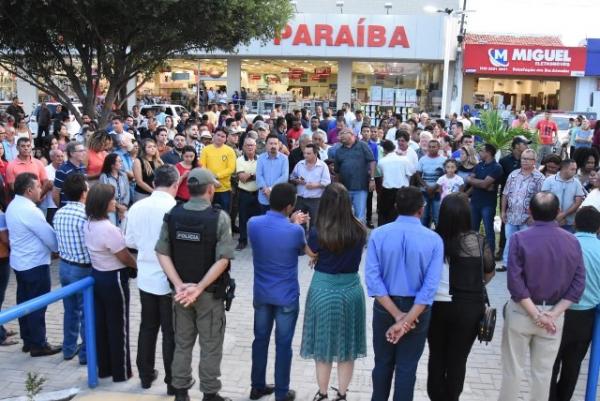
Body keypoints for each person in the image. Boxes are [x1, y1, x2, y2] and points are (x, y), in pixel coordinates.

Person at [155, 168, 234, 401]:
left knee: (182, 343)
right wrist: (198, 287)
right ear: (210, 190)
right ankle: (210, 393)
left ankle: (180, 392)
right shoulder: (219, 218)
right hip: (208, 294)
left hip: (181, 295)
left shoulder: (173, 214)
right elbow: (223, 259)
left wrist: (179, 285)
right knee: (210, 345)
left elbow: (161, 252)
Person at [498, 192, 585, 401]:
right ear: (557, 212)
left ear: (530, 211)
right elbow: (578, 284)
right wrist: (552, 314)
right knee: (543, 374)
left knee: (513, 371)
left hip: (521, 312)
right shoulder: (572, 241)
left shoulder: (519, 238)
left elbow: (515, 283)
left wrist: (535, 314)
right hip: (554, 317)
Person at [365, 186, 443, 401]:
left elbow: (372, 279)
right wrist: (407, 319)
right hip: (417, 310)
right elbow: (429, 288)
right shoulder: (434, 239)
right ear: (422, 209)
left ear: (396, 206)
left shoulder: (379, 234)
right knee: (407, 367)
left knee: (382, 362)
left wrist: (397, 315)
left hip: (385, 305)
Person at [300, 183, 367, 401]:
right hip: (351, 290)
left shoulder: (319, 230)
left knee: (323, 344)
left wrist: (316, 256)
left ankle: (322, 393)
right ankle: (343, 394)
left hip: (323, 288)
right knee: (347, 345)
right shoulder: (359, 229)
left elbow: (311, 251)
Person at [427, 192, 495, 401]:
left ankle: (436, 397)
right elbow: (489, 272)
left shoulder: (432, 239)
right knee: (458, 360)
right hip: (469, 308)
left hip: (436, 307)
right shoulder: (478, 240)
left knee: (436, 356)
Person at [248, 183, 309, 401]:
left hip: (262, 293)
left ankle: (257, 386)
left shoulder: (252, 223)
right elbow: (304, 250)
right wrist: (297, 224)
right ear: (290, 206)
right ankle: (282, 392)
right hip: (286, 295)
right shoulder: (295, 230)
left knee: (260, 339)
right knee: (283, 344)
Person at [124, 165, 179, 394]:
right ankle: (172, 381)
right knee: (170, 332)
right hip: (168, 279)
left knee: (148, 327)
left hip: (146, 276)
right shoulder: (174, 209)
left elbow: (130, 241)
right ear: (176, 185)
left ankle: (145, 375)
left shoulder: (137, 207)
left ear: (154, 183)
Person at [85, 183, 137, 382]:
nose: (115, 202)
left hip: (98, 275)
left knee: (102, 324)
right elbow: (123, 256)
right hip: (114, 278)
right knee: (118, 326)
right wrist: (137, 265)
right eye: (112, 199)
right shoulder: (108, 229)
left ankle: (104, 367)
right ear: (103, 203)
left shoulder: (88, 222)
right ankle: (121, 372)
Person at [5, 173, 60, 357]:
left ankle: (28, 340)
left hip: (21, 263)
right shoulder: (30, 210)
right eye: (37, 187)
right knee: (37, 305)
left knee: (24, 302)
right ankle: (38, 344)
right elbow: (49, 236)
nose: (40, 190)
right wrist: (57, 249)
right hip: (34, 264)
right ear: (29, 190)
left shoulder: (13, 205)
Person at [549, 206, 600, 401]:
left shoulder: (563, 244)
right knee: (573, 364)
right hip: (586, 317)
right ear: (598, 228)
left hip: (557, 312)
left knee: (551, 362)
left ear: (575, 223)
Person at [53, 174, 91, 364]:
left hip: (64, 266)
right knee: (86, 312)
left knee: (70, 310)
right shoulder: (85, 214)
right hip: (82, 269)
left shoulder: (60, 212)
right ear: (84, 193)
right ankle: (85, 354)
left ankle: (68, 348)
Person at [499, 149, 545, 271]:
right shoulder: (513, 174)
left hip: (527, 218)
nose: (524, 161)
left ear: (534, 161)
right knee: (510, 240)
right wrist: (503, 211)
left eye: (527, 159)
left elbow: (541, 199)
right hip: (511, 215)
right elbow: (505, 193)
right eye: (523, 158)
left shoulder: (539, 178)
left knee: (526, 243)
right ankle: (506, 264)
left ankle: (524, 266)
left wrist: (533, 216)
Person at [466, 143, 503, 254]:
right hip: (475, 202)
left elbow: (483, 184)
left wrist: (481, 183)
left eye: (481, 151)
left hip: (488, 204)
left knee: (488, 230)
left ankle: (490, 255)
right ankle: (473, 253)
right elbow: (469, 180)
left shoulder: (497, 167)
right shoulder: (478, 165)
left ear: (488, 152)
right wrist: (482, 183)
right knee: (473, 230)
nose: (479, 153)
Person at [334, 129, 376, 223]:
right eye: (340, 134)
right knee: (344, 216)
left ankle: (361, 237)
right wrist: (337, 188)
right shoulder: (339, 151)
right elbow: (337, 171)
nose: (340, 136)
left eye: (343, 133)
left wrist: (372, 179)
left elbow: (372, 161)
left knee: (359, 216)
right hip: (344, 189)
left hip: (360, 188)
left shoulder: (362, 145)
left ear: (352, 135)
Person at [289, 143, 331, 228]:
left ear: (315, 154)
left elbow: (327, 182)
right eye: (304, 153)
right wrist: (297, 180)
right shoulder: (300, 164)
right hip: (301, 198)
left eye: (308, 153)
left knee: (315, 225)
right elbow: (292, 177)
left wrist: (316, 185)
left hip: (315, 200)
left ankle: (312, 240)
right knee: (299, 223)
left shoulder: (323, 166)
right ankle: (300, 239)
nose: (305, 155)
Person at [541, 159, 585, 232]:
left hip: (569, 223)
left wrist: (563, 214)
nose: (575, 171)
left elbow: (578, 202)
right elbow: (544, 199)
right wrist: (556, 216)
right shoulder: (549, 180)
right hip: (551, 221)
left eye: (575, 169)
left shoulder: (577, 183)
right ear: (564, 168)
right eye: (572, 169)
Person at [377, 140, 413, 225]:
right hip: (402, 190)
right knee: (403, 215)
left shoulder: (381, 161)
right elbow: (409, 174)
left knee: (385, 216)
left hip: (387, 191)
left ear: (384, 150)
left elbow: (380, 176)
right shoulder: (405, 160)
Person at [200, 129, 236, 211]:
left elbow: (231, 169)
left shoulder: (230, 151)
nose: (220, 138)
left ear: (226, 138)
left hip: (224, 189)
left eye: (223, 136)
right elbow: (202, 167)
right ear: (214, 135)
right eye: (218, 135)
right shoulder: (206, 149)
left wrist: (216, 175)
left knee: (223, 214)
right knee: (207, 213)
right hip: (208, 187)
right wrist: (212, 180)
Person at [236, 137, 260, 250]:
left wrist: (249, 175)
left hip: (258, 194)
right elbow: (242, 178)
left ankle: (258, 241)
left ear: (256, 147)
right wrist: (254, 175)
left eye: (252, 145)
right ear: (243, 147)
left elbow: (262, 177)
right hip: (244, 193)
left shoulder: (261, 159)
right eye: (247, 145)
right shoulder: (239, 160)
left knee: (259, 219)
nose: (250, 147)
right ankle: (242, 240)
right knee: (243, 218)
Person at [415, 139, 446, 227]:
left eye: (434, 147)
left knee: (437, 216)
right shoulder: (422, 159)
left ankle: (439, 237)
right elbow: (418, 175)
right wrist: (427, 187)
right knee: (424, 216)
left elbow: (445, 176)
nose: (431, 149)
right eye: (430, 147)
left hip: (438, 192)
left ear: (438, 148)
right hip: (424, 192)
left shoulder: (444, 160)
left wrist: (434, 188)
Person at [256, 134, 289, 213]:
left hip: (278, 196)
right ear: (266, 145)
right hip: (264, 196)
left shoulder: (284, 159)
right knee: (264, 221)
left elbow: (284, 177)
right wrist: (266, 190)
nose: (273, 146)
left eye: (275, 143)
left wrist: (270, 189)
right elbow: (259, 176)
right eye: (271, 143)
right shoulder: (260, 158)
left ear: (279, 145)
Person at [99, 153, 130, 226]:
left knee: (123, 228)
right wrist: (118, 206)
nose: (121, 163)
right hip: (110, 206)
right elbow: (106, 194)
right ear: (112, 164)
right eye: (119, 161)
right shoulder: (104, 177)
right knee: (111, 226)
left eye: (121, 161)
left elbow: (127, 192)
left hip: (123, 205)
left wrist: (124, 206)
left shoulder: (123, 175)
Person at [53, 141, 87, 207]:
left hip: (81, 207)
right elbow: (55, 194)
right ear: (71, 153)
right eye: (80, 151)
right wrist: (62, 208)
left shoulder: (83, 166)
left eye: (84, 150)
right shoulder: (62, 170)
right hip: (67, 208)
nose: (84, 153)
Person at [42, 149, 64, 223]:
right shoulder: (46, 170)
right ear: (51, 158)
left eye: (62, 156)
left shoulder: (64, 169)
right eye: (58, 156)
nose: (60, 158)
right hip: (51, 206)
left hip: (63, 204)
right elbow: (48, 185)